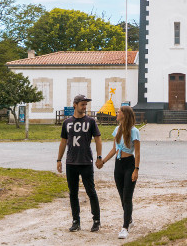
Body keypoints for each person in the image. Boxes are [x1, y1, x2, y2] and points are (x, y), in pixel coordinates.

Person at [57, 94, 102, 233]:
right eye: (82, 104)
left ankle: (96, 220)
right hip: (71, 162)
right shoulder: (67, 123)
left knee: (91, 191)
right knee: (73, 193)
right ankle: (76, 221)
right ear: (75, 105)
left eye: (86, 104)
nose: (85, 107)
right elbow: (63, 142)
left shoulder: (91, 121)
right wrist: (59, 159)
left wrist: (99, 157)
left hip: (86, 161)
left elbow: (98, 140)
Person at [97, 105, 140, 240]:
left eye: (119, 111)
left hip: (129, 164)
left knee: (127, 197)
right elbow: (114, 150)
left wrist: (136, 170)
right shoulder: (117, 130)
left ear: (125, 114)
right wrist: (103, 161)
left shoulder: (134, 131)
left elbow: (137, 153)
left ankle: (125, 227)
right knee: (122, 196)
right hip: (118, 165)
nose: (117, 113)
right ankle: (130, 219)